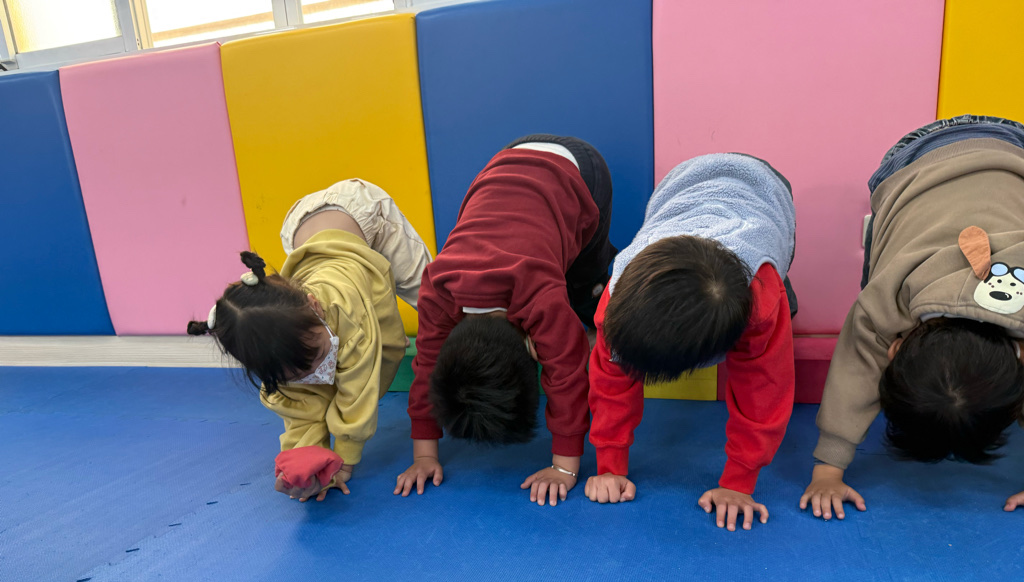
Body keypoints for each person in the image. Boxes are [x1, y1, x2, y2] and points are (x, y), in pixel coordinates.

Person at [801, 116, 1024, 520]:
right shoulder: (886, 299)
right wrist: (827, 468)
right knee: (881, 269)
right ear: (895, 349)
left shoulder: (890, 302)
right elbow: (855, 370)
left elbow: (857, 368)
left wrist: (829, 471)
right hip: (921, 159)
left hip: (985, 155)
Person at [395, 134, 616, 506]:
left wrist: (564, 468)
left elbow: (565, 375)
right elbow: (427, 366)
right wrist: (424, 456)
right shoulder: (438, 288)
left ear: (530, 351)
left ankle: (591, 307)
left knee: (586, 286)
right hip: (504, 162)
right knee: (556, 281)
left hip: (581, 171)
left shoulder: (539, 297)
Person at [587, 153, 797, 532]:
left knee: (776, 318)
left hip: (767, 192)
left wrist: (738, 482)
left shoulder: (762, 304)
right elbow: (609, 382)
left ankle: (782, 299)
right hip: (681, 185)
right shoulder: (616, 300)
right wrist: (609, 465)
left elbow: (765, 391)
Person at [187, 179, 432, 501]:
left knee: (431, 297)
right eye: (299, 374)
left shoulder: (348, 314)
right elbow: (297, 404)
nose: (316, 373)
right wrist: (305, 459)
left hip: (362, 211)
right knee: (311, 358)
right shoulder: (280, 344)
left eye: (317, 357)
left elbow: (359, 391)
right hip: (299, 230)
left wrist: (343, 461)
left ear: (316, 307)